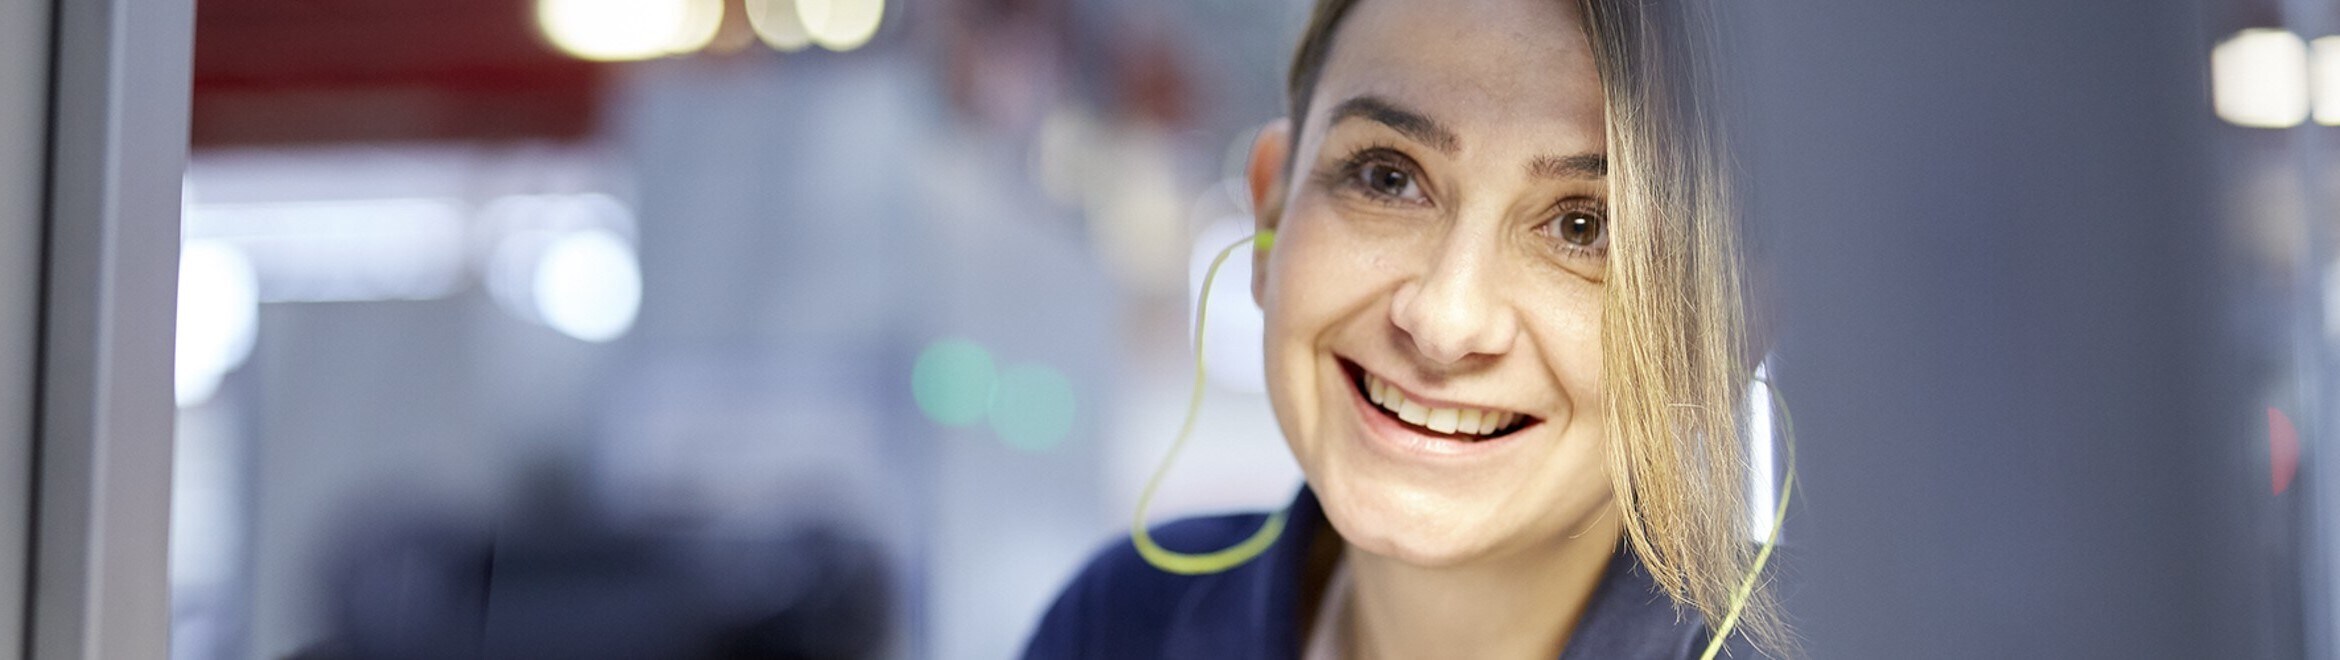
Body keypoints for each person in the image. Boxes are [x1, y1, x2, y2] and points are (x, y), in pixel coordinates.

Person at [1025, 0, 1785, 657]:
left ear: (1731, 330)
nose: (1443, 322)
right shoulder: (1122, 621)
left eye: (1585, 228)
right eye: (1387, 178)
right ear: (1270, 214)